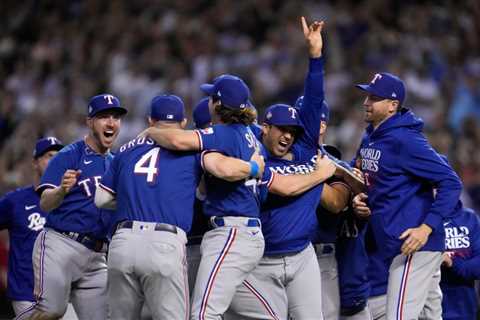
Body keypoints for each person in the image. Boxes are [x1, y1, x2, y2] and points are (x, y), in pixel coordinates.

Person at [141, 69, 336, 319]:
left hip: (231, 233)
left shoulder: (226, 132)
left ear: (218, 104)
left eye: (212, 98)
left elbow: (178, 141)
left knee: (204, 314)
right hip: (250, 238)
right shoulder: (252, 134)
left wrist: (150, 132)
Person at [226, 17, 355, 320]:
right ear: (265, 128)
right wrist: (322, 174)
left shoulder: (303, 150)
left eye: (293, 131)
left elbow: (314, 99)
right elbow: (288, 187)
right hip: (261, 261)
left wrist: (315, 57)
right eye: (281, 129)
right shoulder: (254, 160)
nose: (288, 135)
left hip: (302, 257)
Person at [94, 94, 266, 320]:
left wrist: (135, 199)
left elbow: (101, 199)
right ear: (183, 123)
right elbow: (220, 168)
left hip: (122, 243)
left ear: (150, 121)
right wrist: (253, 167)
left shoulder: (126, 149)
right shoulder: (192, 147)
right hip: (164, 243)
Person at [351, 73, 463, 319]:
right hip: (397, 244)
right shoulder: (371, 136)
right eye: (367, 95)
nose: (366, 102)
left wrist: (426, 228)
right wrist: (359, 198)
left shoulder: (406, 140)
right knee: (430, 316)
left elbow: (451, 182)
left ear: (393, 106)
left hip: (415, 246)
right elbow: (361, 173)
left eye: (375, 97)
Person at [29, 94, 127, 320]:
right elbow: (45, 203)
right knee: (51, 310)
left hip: (97, 255)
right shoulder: (69, 155)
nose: (111, 122)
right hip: (61, 244)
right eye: (103, 117)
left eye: (116, 117)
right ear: (89, 121)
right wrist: (62, 190)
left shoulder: (116, 163)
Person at [0, 137, 64, 319]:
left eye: (59, 157)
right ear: (35, 163)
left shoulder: (71, 201)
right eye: (49, 156)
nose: (55, 161)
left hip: (63, 292)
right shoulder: (15, 201)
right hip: (26, 293)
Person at [441, 200, 480, 320]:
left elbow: (478, 267)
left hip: (464, 309)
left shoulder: (470, 218)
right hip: (425, 309)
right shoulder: (418, 220)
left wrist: (452, 262)